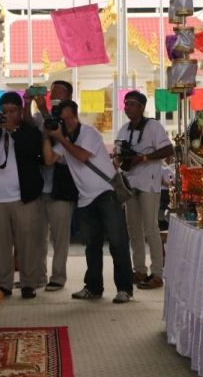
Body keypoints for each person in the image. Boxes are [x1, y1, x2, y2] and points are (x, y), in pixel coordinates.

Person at [42, 100, 134, 304]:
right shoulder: (63, 139)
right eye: (62, 120)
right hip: (84, 198)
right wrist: (47, 135)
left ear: (75, 116)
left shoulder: (89, 133)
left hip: (106, 192)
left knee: (118, 243)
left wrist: (60, 138)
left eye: (68, 119)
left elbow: (82, 156)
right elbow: (48, 159)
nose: (66, 123)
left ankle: (124, 289)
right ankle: (93, 287)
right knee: (91, 246)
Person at [0, 92, 44, 298]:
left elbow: (33, 151)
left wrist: (13, 131)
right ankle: (4, 283)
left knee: (27, 243)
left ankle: (28, 283)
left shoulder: (29, 131)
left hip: (24, 198)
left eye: (12, 111)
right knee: (1, 243)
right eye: (4, 111)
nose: (7, 115)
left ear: (20, 111)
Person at [114, 91, 173, 289]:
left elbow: (168, 150)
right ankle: (139, 270)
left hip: (149, 182)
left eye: (131, 104)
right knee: (133, 230)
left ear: (141, 107)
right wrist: (121, 161)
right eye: (125, 104)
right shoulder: (123, 130)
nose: (127, 108)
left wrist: (144, 158)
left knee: (150, 228)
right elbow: (119, 155)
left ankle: (157, 273)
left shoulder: (154, 126)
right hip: (130, 183)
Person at [24, 80, 75, 291]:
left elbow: (56, 136)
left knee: (60, 237)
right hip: (39, 186)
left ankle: (58, 277)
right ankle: (37, 276)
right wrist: (27, 103)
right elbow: (27, 126)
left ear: (69, 98)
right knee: (37, 235)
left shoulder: (70, 120)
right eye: (52, 93)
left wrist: (44, 109)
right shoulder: (40, 115)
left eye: (60, 94)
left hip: (61, 188)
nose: (55, 97)